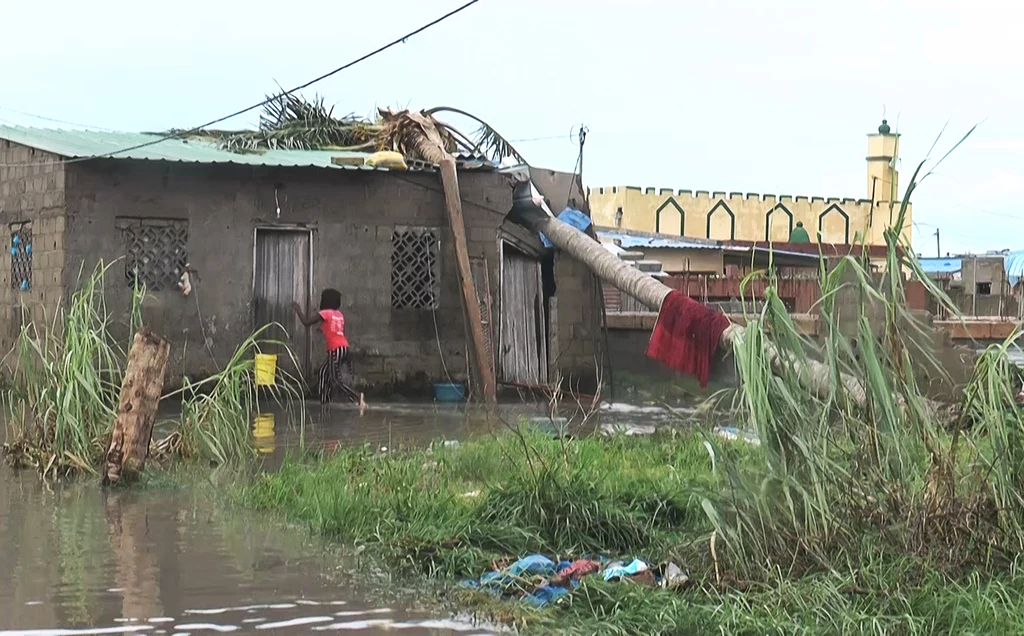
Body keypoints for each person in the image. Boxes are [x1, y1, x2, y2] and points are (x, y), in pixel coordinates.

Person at [293, 289, 366, 413]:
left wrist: (298, 309)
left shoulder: (325, 313)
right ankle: (324, 403)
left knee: (336, 380)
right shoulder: (339, 315)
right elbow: (335, 330)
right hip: (344, 348)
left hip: (335, 349)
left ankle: (357, 397)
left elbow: (306, 323)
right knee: (322, 373)